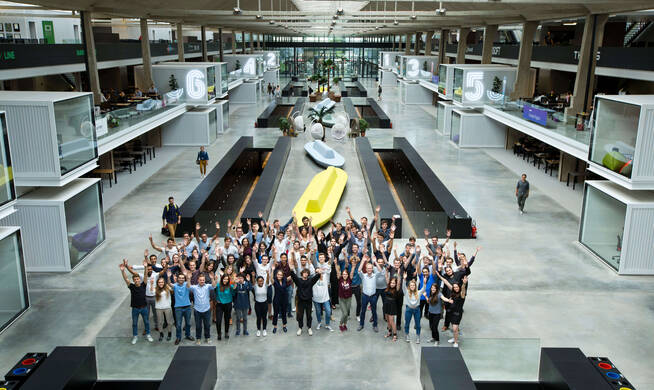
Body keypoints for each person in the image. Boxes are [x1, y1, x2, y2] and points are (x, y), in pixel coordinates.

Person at [119, 260, 153, 344]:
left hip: (144, 308)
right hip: (135, 309)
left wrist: (145, 267)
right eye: (135, 279)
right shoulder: (132, 286)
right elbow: (126, 279)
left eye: (138, 279)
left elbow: (145, 275)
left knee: (146, 322)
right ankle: (135, 336)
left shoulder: (143, 285)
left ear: (139, 279)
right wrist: (123, 271)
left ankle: (148, 334)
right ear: (133, 280)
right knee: (134, 323)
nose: (137, 280)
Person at [289, 265, 322, 336]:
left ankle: (309, 328)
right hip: (300, 301)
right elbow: (293, 276)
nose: (305, 274)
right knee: (300, 316)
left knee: (309, 315)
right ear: (302, 274)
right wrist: (291, 270)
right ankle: (300, 328)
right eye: (304, 272)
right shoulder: (299, 281)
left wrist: (319, 272)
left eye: (307, 273)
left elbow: (317, 276)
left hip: (308, 301)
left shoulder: (310, 281)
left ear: (308, 274)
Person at [358, 254, 381, 332]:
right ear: (366, 269)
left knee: (374, 311)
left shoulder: (375, 275)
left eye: (371, 268)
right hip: (365, 296)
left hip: (373, 296)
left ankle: (375, 325)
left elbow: (380, 271)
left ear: (372, 269)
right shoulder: (363, 276)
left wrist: (375, 262)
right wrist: (363, 261)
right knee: (363, 311)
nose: (369, 270)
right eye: (368, 268)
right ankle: (361, 324)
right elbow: (359, 270)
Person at [403, 273, 427, 344]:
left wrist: (424, 283)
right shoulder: (406, 292)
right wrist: (404, 279)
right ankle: (407, 335)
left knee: (418, 324)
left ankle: (418, 336)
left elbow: (423, 289)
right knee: (407, 323)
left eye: (413, 285)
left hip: (417, 310)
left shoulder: (418, 292)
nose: (412, 286)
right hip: (408, 309)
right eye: (411, 285)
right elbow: (403, 287)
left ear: (415, 286)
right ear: (409, 286)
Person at [172, 272, 194, 345]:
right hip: (178, 308)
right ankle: (178, 337)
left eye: (182, 278)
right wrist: (169, 278)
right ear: (177, 279)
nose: (181, 279)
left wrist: (188, 278)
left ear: (184, 279)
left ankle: (188, 335)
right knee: (178, 324)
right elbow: (169, 284)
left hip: (187, 307)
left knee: (188, 323)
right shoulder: (175, 286)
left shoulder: (186, 284)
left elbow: (189, 285)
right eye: (180, 278)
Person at [154, 271, 174, 342]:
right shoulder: (155, 289)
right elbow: (150, 292)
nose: (161, 283)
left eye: (162, 282)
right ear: (157, 283)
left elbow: (172, 288)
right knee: (160, 322)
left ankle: (169, 334)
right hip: (158, 308)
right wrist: (150, 283)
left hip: (167, 307)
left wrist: (168, 277)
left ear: (164, 282)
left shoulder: (167, 287)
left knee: (169, 322)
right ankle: (161, 334)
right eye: (159, 282)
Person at [215, 273, 234, 340]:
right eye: (224, 279)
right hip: (219, 305)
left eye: (227, 279)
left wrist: (235, 285)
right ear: (222, 279)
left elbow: (234, 293)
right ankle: (219, 333)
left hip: (228, 305)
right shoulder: (218, 286)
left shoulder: (230, 286)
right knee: (218, 320)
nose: (225, 280)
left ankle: (226, 332)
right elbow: (213, 290)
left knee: (227, 320)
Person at [382, 274, 401, 341]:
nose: (392, 284)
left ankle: (395, 334)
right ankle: (389, 332)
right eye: (391, 283)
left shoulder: (396, 289)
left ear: (395, 284)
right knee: (387, 320)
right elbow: (386, 278)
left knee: (391, 321)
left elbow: (399, 283)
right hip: (386, 305)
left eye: (394, 283)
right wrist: (386, 271)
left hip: (392, 306)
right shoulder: (387, 288)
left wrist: (398, 275)